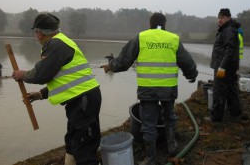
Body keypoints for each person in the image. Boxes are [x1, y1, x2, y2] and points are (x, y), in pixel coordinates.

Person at [100, 12, 198, 165]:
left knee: (149, 124)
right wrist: (192, 75)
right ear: (164, 25)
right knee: (169, 116)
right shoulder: (173, 39)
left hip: (148, 89)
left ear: (149, 24)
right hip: (168, 88)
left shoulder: (141, 37)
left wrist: (111, 66)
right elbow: (187, 61)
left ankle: (150, 159)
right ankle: (171, 147)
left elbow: (124, 61)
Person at [12, 13, 102, 165]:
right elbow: (66, 79)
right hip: (82, 99)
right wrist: (41, 94)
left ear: (39, 33)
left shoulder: (56, 45)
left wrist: (23, 75)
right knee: (73, 142)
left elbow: (41, 74)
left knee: (84, 147)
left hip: (83, 101)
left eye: (35, 32)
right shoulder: (62, 42)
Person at [207, 8, 243, 122]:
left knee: (219, 91)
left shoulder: (228, 30)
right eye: (218, 18)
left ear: (228, 17)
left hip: (223, 67)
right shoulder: (227, 29)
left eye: (222, 17)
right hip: (229, 67)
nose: (219, 20)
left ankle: (216, 117)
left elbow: (229, 50)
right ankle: (235, 112)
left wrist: (222, 67)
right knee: (231, 89)